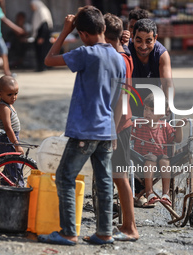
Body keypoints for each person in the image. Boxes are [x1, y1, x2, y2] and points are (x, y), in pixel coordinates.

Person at [37, 6, 126, 246]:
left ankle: (68, 233)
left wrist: (65, 32)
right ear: (104, 28)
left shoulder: (86, 53)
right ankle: (105, 232)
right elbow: (120, 99)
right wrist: (114, 131)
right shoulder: (119, 60)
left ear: (83, 34)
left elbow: (48, 59)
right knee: (104, 182)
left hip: (85, 131)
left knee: (65, 177)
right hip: (107, 131)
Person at [103, 13, 138, 241]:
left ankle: (130, 227)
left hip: (121, 124)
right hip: (120, 122)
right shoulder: (122, 52)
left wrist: (114, 131)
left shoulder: (121, 59)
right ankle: (126, 224)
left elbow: (124, 97)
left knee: (120, 175)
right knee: (117, 175)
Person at [131, 94, 186, 207]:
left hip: (161, 159)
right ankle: (149, 193)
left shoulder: (165, 126)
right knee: (151, 158)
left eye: (152, 110)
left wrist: (179, 126)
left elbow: (177, 139)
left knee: (165, 159)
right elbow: (127, 135)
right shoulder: (138, 124)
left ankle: (166, 194)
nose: (147, 112)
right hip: (141, 159)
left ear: (161, 114)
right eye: (145, 109)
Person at [0, 75, 24, 186]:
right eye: (10, 94)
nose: (14, 97)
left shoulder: (9, 105)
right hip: (7, 141)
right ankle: (18, 191)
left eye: (16, 93)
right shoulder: (3, 108)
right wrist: (16, 144)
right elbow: (8, 128)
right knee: (15, 168)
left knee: (10, 169)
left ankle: (5, 192)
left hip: (11, 139)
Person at [30, 0, 53, 72]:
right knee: (39, 52)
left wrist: (42, 37)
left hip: (43, 36)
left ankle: (43, 67)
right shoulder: (37, 12)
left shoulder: (42, 11)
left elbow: (45, 25)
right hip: (38, 35)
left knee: (43, 52)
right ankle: (40, 67)